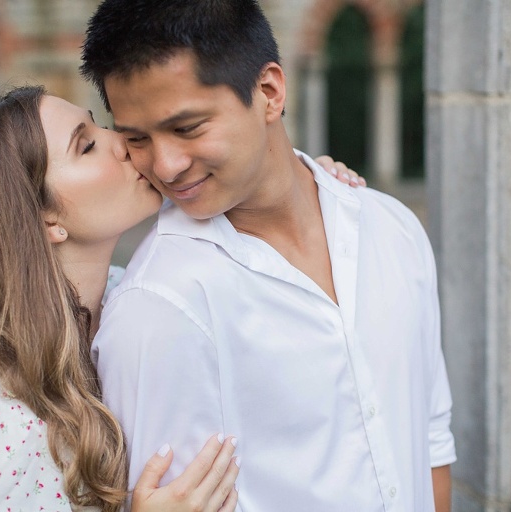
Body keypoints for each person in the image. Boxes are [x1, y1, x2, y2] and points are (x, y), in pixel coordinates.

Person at [0, 85, 357, 511]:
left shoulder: (128, 295)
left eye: (99, 124)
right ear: (45, 219)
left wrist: (301, 188)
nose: (121, 141)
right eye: (86, 145)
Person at [80, 1, 456, 511]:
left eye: (187, 128)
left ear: (269, 92)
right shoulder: (158, 306)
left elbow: (429, 440)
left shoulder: (392, 229)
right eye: (136, 138)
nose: (166, 166)